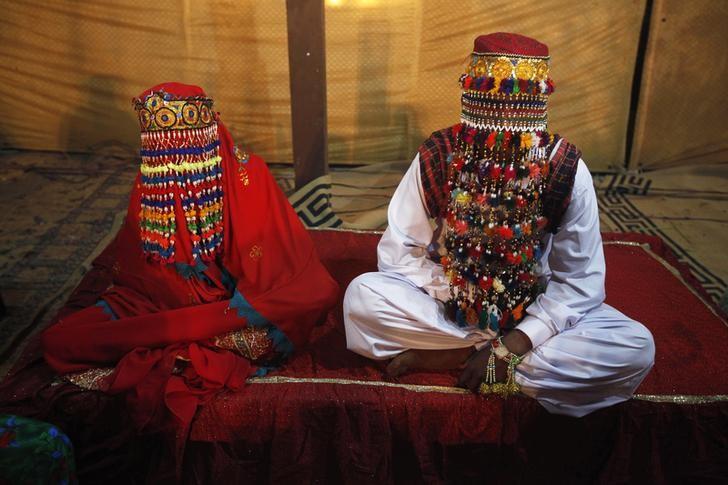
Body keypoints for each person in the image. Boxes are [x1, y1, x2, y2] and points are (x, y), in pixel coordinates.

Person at [343, 33, 655, 417]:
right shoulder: (440, 153)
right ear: (474, 93)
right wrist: (462, 294)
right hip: (449, 306)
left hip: (533, 307)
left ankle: (466, 357)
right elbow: (398, 252)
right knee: (362, 298)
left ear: (539, 99)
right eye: (494, 100)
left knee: (634, 348)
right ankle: (479, 354)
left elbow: (581, 283)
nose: (507, 116)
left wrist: (521, 340)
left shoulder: (565, 167)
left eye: (520, 102)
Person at [40, 82, 339, 429]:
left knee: (307, 298)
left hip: (236, 304)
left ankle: (191, 339)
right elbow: (139, 276)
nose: (176, 165)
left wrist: (233, 309)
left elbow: (278, 273)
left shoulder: (247, 176)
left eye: (187, 150)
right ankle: (188, 339)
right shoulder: (151, 183)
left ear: (210, 136)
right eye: (164, 155)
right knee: (62, 340)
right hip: (170, 305)